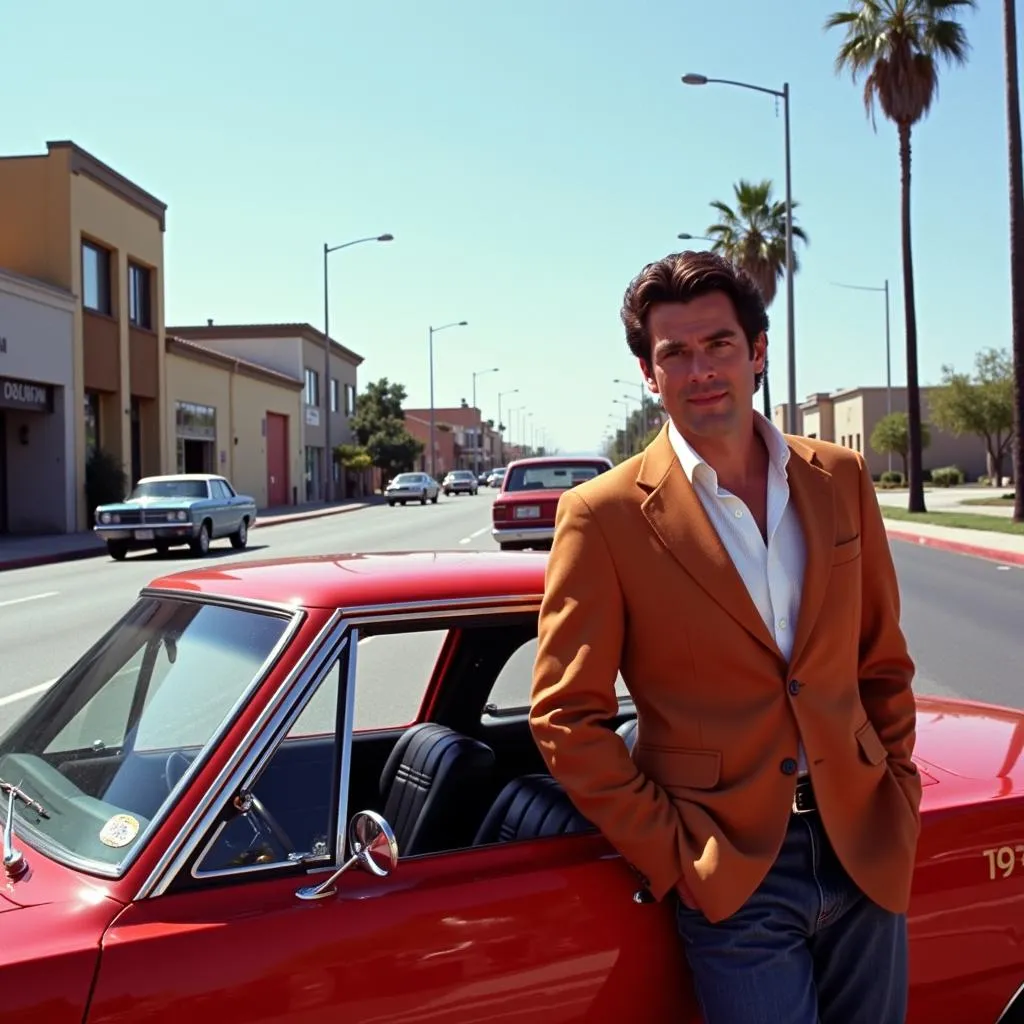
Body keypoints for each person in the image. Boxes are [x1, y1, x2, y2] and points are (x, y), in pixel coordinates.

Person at [529, 250, 922, 1023]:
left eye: (719, 345)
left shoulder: (839, 478)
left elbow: (881, 658)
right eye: (675, 353)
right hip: (733, 868)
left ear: (758, 354)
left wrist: (897, 788)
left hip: (863, 843)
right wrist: (676, 856)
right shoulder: (601, 516)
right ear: (650, 373)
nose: (700, 369)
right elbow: (566, 718)